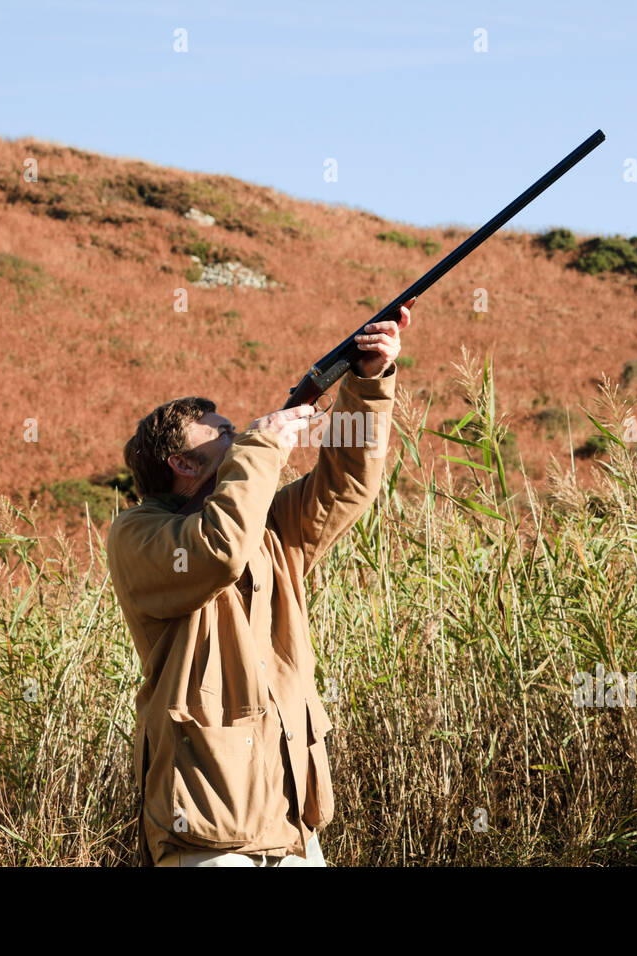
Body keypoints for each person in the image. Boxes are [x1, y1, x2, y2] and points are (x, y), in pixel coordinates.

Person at [108, 300, 414, 866]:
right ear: (183, 463)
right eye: (223, 434)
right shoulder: (138, 534)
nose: (241, 434)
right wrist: (262, 446)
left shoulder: (266, 526)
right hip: (207, 821)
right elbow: (218, 553)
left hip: (290, 815)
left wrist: (369, 383)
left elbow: (346, 486)